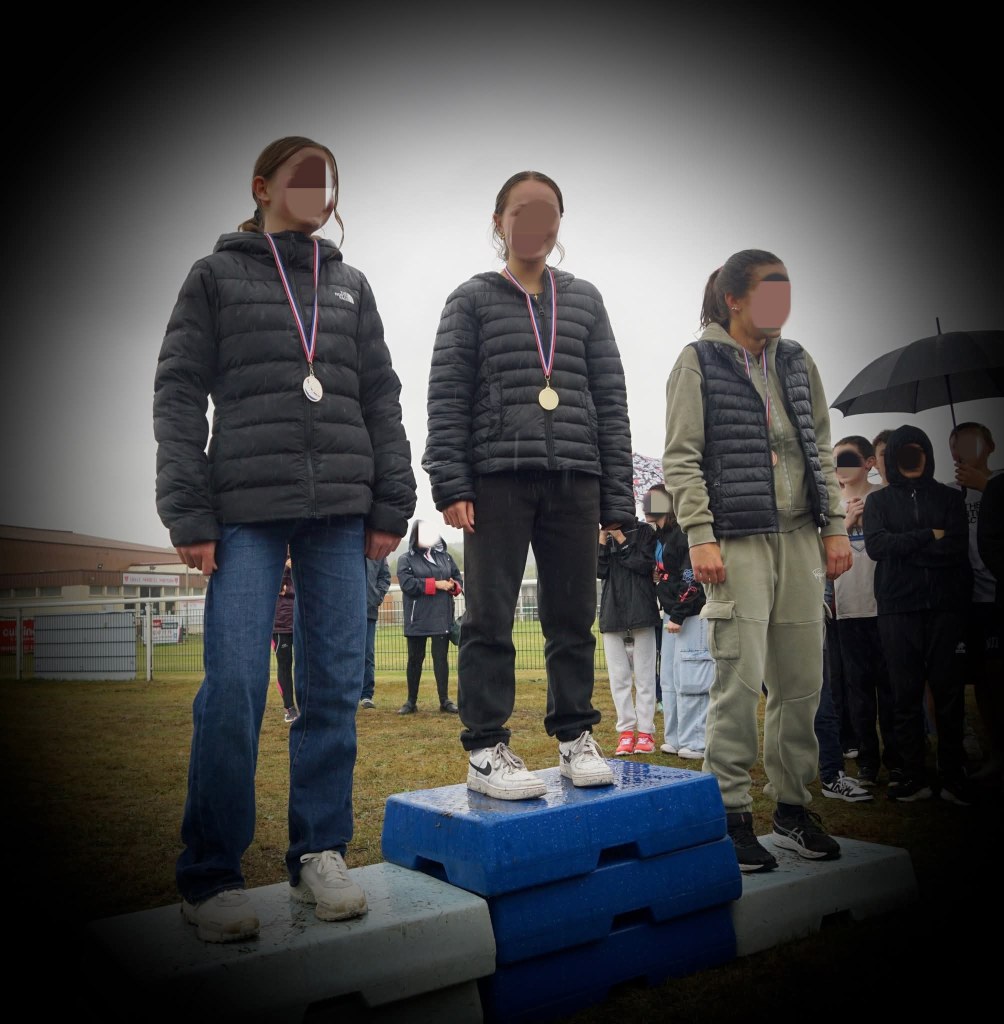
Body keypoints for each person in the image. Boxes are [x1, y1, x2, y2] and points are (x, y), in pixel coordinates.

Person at [153, 135, 417, 942]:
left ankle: (318, 854)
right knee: (234, 687)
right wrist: (189, 513)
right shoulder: (214, 276)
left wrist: (392, 502)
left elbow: (381, 395)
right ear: (262, 185)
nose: (318, 191)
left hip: (341, 510)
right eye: (302, 178)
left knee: (333, 687)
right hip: (244, 510)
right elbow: (178, 391)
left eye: (327, 181)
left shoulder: (350, 285)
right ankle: (211, 875)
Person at [422, 169, 635, 800]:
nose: (536, 223)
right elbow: (447, 396)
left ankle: (575, 738)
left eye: (549, 212)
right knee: (489, 617)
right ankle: (486, 749)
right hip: (497, 480)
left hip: (576, 477)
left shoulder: (585, 300)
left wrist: (616, 500)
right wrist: (451, 483)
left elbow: (611, 399)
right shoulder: (471, 299)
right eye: (523, 211)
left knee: (572, 617)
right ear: (499, 221)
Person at [662, 249, 852, 872]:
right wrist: (699, 535)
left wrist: (834, 527)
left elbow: (820, 447)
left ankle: (793, 809)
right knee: (739, 681)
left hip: (800, 537)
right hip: (737, 538)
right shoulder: (697, 361)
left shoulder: (797, 361)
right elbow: (681, 457)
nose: (782, 304)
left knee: (802, 682)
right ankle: (730, 814)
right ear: (735, 298)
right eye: (770, 291)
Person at [863, 424, 972, 804]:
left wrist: (907, 548)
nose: (912, 457)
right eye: (904, 451)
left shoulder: (949, 498)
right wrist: (928, 535)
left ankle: (953, 772)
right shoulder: (878, 502)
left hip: (945, 607)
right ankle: (912, 773)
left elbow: (955, 548)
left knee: (949, 693)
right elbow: (877, 547)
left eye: (918, 450)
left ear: (927, 454)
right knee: (904, 694)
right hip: (897, 608)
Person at [831, 435, 901, 788]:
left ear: (869, 462)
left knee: (890, 689)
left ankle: (898, 761)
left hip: (885, 608)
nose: (840, 468)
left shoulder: (884, 497)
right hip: (847, 612)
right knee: (857, 692)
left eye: (848, 459)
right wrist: (844, 526)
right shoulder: (830, 506)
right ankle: (868, 762)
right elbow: (817, 561)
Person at [947, 421, 1002, 780]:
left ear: (990, 446)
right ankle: (989, 751)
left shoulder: (1000, 484)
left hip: (998, 597)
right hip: (968, 601)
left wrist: (988, 488)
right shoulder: (951, 494)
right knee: (980, 678)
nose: (963, 451)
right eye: (957, 445)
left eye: (971, 443)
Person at [644, 485, 710, 760]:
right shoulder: (659, 536)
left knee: (692, 677)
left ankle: (697, 741)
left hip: (691, 615)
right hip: (670, 614)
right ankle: (675, 737)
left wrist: (680, 613)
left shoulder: (683, 533)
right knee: (670, 679)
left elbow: (692, 576)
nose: (647, 505)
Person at [597, 517, 661, 755]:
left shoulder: (644, 531)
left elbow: (643, 565)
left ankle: (645, 732)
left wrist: (622, 540)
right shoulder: (601, 536)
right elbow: (599, 570)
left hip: (642, 611)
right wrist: (602, 539)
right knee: (619, 678)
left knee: (645, 677)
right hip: (612, 613)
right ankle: (625, 732)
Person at [396, 520, 462, 715]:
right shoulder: (405, 559)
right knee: (415, 659)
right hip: (417, 618)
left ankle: (445, 700)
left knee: (441, 659)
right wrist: (436, 584)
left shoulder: (446, 557)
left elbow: (457, 578)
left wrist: (454, 586)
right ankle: (411, 701)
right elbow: (408, 584)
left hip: (442, 617)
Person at [359, 556, 391, 709]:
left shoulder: (378, 552)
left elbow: (385, 576)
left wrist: (376, 597)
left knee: (367, 654)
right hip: (345, 611)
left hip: (369, 610)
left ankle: (366, 695)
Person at [272, 552, 299, 723]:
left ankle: (308, 703)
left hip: (303, 620)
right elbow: (272, 587)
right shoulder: (275, 558)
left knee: (306, 664)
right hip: (281, 623)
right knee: (284, 664)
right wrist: (285, 569)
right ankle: (289, 707)